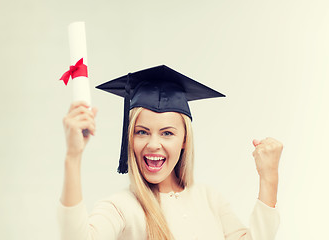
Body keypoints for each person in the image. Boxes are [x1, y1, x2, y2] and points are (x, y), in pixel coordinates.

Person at [58, 65, 283, 240]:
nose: (153, 144)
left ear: (185, 140)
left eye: (166, 133)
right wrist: (73, 157)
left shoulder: (209, 199)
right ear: (130, 137)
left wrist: (269, 178)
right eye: (142, 132)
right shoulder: (121, 207)